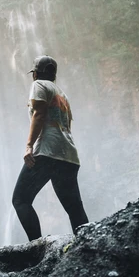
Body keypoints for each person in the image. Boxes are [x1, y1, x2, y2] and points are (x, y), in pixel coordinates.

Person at [12, 55, 89, 241]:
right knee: (74, 208)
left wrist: (29, 146)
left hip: (47, 152)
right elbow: (67, 126)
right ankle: (89, 245)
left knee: (20, 200)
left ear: (36, 73)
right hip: (69, 156)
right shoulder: (63, 95)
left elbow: (39, 114)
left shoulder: (39, 85)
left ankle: (36, 247)